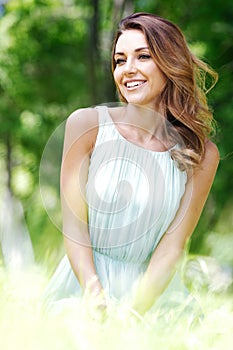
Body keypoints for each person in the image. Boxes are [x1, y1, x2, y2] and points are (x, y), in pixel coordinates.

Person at [43, 12, 219, 320]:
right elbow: (74, 226)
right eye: (119, 60)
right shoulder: (86, 125)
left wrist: (134, 312)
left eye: (143, 56)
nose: (128, 70)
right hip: (83, 285)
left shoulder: (200, 154)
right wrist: (93, 292)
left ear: (169, 62)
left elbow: (173, 245)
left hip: (155, 295)